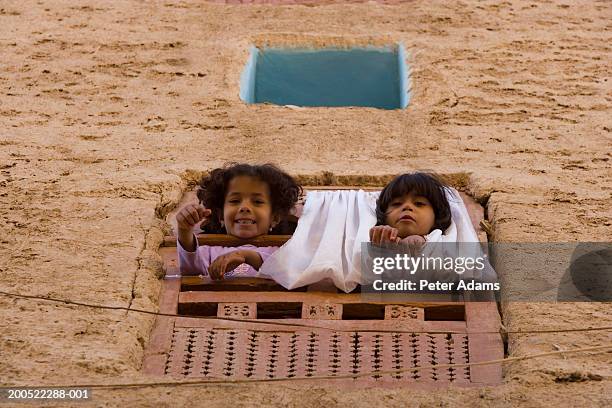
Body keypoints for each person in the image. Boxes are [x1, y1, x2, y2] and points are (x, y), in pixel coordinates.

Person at [176, 163, 302, 280]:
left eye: (257, 202)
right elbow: (191, 272)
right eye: (235, 201)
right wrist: (184, 230)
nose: (245, 207)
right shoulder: (208, 251)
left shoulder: (282, 250)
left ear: (274, 218)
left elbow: (288, 271)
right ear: (220, 215)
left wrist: (246, 256)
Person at [369, 172, 452, 246]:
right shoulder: (375, 242)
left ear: (436, 217)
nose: (407, 206)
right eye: (397, 204)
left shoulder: (444, 247)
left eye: (419, 203)